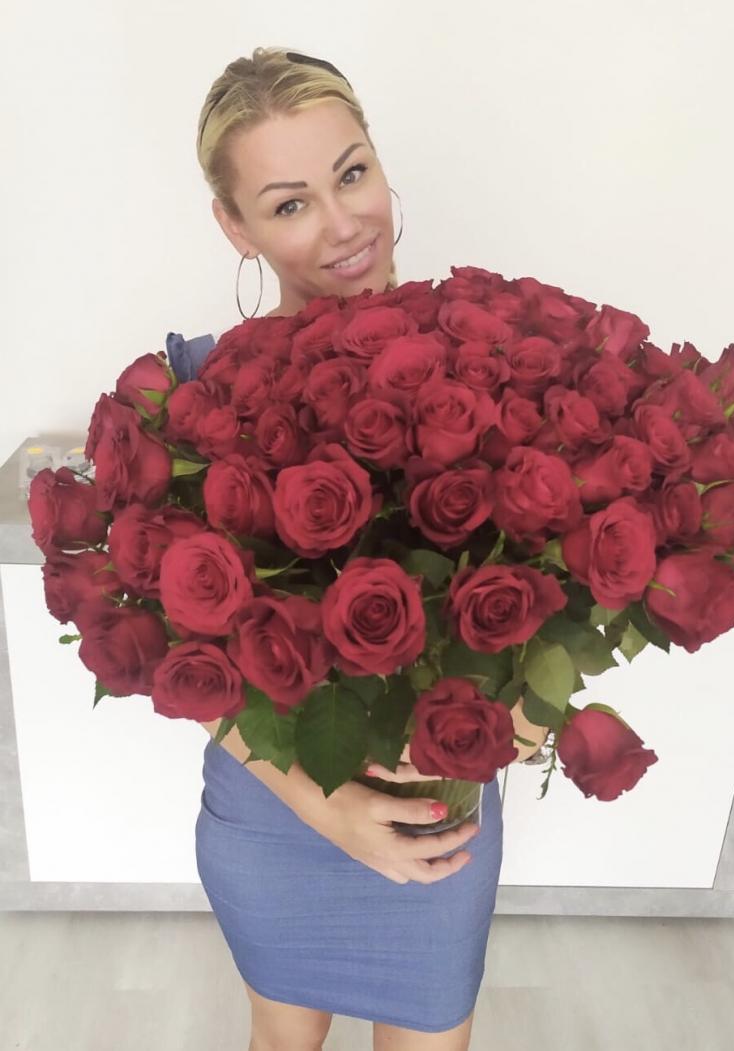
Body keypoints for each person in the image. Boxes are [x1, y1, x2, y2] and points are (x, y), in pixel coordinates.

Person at [181, 46, 547, 1051]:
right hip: (276, 807)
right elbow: (185, 662)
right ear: (236, 226)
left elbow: (566, 590)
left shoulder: (498, 369)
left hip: (437, 810)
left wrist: (522, 716)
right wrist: (327, 805)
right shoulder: (201, 403)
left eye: (351, 173)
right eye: (290, 203)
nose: (344, 224)